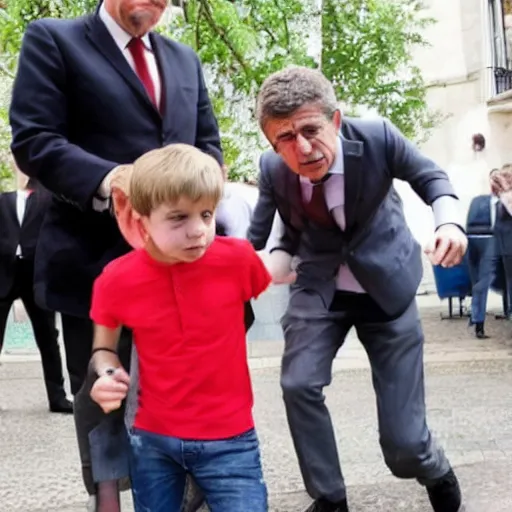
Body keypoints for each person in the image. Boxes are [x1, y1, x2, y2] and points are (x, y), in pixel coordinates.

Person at [9, 0, 223, 506]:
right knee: (105, 397)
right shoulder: (53, 40)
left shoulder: (184, 60)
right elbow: (35, 140)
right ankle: (108, 498)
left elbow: (207, 147)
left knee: (189, 394)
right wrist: (114, 180)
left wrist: (196, 205)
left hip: (184, 271)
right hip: (94, 262)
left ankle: (191, 494)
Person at [248, 66, 468, 512]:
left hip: (388, 287)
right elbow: (256, 237)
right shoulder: (273, 168)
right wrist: (249, 269)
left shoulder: (378, 138)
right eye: (285, 139)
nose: (302, 148)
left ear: (335, 120)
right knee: (297, 384)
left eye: (310, 129)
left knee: (404, 444)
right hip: (319, 290)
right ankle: (329, 497)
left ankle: (432, 466)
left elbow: (432, 179)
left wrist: (448, 221)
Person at [89, 143, 271, 512]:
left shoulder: (237, 260)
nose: (198, 231)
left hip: (232, 440)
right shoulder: (116, 279)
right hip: (153, 440)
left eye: (206, 214)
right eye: (178, 218)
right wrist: (108, 374)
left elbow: (274, 277)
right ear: (141, 219)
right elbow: (103, 349)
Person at [0, 172, 72, 414]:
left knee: (48, 339)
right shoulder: (4, 200)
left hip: (36, 275)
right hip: (3, 274)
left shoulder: (48, 203)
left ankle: (58, 397)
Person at [465, 169, 502, 338]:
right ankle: (477, 319)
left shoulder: (505, 202)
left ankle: (477, 320)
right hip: (476, 241)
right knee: (479, 283)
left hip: (491, 242)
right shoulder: (479, 200)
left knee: (482, 283)